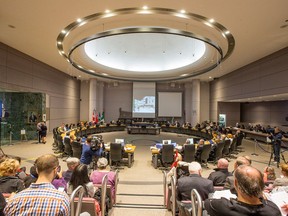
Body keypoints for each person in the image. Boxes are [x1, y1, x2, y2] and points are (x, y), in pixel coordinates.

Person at [4, 154, 70, 215]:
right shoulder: (62, 200)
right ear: (55, 170)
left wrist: (9, 203)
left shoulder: (15, 200)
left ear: (37, 170)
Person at [204, 165, 281, 216]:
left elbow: (207, 202)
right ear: (261, 185)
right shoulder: (273, 210)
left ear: (235, 183)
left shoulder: (221, 206)